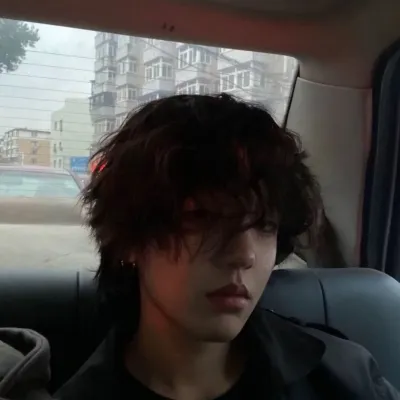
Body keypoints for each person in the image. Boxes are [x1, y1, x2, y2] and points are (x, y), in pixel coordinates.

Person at [50, 93, 398, 400]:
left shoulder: (342, 376)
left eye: (265, 225)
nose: (243, 255)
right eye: (201, 217)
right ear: (130, 239)